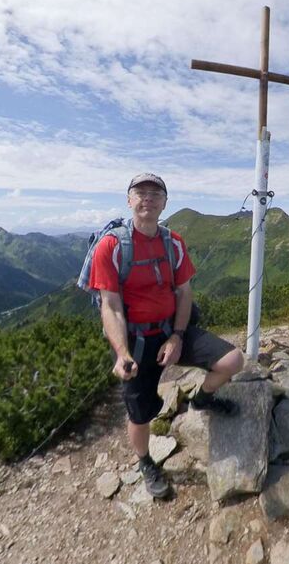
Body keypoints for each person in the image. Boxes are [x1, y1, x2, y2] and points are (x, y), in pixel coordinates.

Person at [87, 173, 244, 499]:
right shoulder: (111, 246)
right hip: (134, 341)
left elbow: (184, 293)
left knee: (232, 360)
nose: (148, 197)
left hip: (172, 329)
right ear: (129, 200)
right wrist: (122, 353)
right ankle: (145, 461)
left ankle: (202, 399)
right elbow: (110, 306)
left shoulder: (173, 243)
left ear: (164, 203)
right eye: (140, 192)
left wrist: (177, 336)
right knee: (139, 414)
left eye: (155, 193)